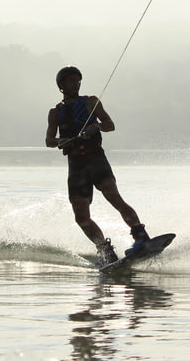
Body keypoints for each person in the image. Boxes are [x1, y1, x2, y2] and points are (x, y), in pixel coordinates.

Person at [45, 65, 151, 265]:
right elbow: (49, 141)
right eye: (70, 81)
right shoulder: (55, 112)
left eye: (77, 80)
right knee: (81, 217)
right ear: (61, 86)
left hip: (96, 160)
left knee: (113, 197)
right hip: (76, 167)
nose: (75, 84)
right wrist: (63, 141)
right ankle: (105, 251)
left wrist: (97, 126)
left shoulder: (91, 102)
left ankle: (140, 236)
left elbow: (110, 125)